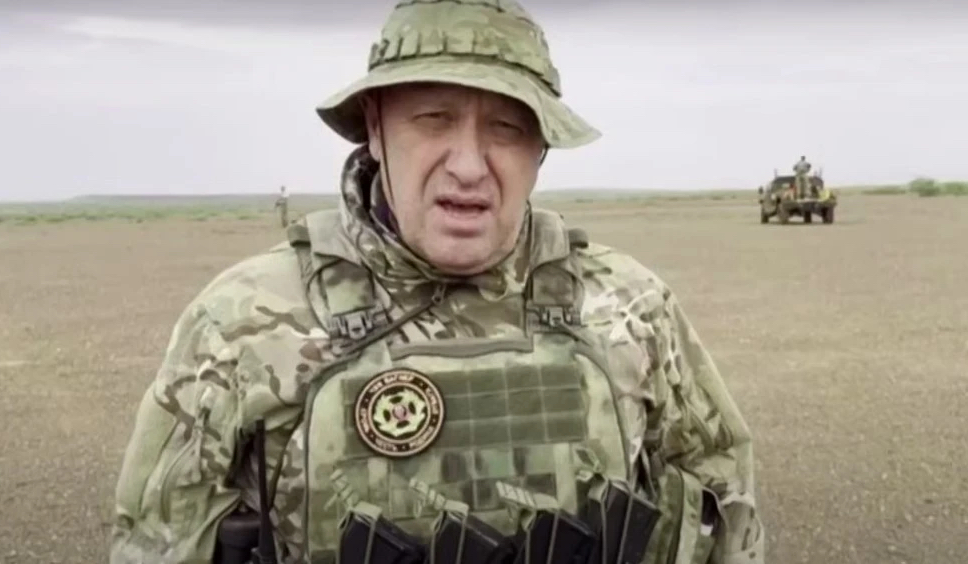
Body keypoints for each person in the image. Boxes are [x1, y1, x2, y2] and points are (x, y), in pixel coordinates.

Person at [107, 1, 764, 563]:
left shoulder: (632, 307)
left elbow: (721, 507)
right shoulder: (240, 323)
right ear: (375, 126)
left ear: (540, 149)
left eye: (506, 127)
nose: (469, 165)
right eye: (433, 118)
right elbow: (156, 541)